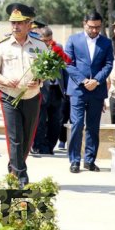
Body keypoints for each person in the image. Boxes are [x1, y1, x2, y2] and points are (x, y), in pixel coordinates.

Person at [0, 2, 47, 188]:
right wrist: (4, 80)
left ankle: (14, 165)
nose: (15, 26)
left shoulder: (39, 46)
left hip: (32, 97)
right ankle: (21, 175)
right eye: (13, 22)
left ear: (29, 24)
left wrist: (39, 81)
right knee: (15, 137)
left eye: (20, 23)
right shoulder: (1, 46)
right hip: (8, 96)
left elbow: (45, 71)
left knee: (27, 138)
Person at [65, 10, 114, 173]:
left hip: (97, 90)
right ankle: (74, 161)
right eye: (92, 27)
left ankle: (90, 160)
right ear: (84, 24)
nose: (94, 30)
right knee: (77, 124)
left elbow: (108, 64)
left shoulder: (106, 43)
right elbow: (68, 64)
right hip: (78, 89)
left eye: (98, 27)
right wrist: (84, 80)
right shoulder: (73, 40)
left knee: (93, 127)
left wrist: (96, 80)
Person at [31, 26, 67, 155]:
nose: (47, 43)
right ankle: (38, 146)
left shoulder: (59, 48)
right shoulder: (35, 49)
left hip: (57, 89)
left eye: (49, 40)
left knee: (56, 120)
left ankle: (50, 146)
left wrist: (66, 90)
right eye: (45, 40)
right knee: (40, 120)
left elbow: (64, 69)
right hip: (41, 89)